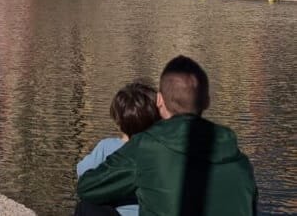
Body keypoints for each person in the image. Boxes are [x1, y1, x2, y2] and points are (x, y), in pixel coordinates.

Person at [77, 55, 257, 216]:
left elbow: (88, 187)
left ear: (160, 101)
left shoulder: (147, 146)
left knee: (87, 207)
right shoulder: (240, 163)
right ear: (207, 101)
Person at [75, 82, 160, 216]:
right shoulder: (163, 151)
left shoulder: (107, 146)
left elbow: (82, 174)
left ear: (118, 121)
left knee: (86, 204)